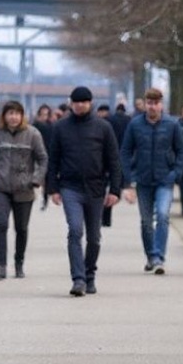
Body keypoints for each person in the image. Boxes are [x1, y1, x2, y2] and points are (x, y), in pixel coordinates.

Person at [45, 86, 122, 296]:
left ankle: (90, 274)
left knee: (94, 237)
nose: (80, 105)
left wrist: (115, 189)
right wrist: (52, 188)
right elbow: (53, 160)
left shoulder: (103, 127)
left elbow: (114, 160)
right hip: (70, 187)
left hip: (96, 188)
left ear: (90, 103)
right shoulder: (60, 127)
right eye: (76, 101)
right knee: (75, 230)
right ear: (71, 103)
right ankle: (78, 279)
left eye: (84, 101)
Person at [120, 88, 183, 274]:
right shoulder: (135, 125)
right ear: (145, 103)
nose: (153, 107)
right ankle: (151, 256)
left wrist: (176, 174)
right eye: (150, 103)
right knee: (146, 222)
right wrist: (128, 180)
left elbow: (181, 150)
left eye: (156, 103)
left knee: (163, 216)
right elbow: (125, 152)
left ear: (161, 104)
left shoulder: (171, 124)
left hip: (165, 179)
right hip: (142, 180)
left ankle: (158, 257)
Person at [0, 101, 47, 279]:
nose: (13, 117)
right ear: (4, 115)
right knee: (1, 224)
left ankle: (19, 263)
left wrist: (36, 179)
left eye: (17, 113)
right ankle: (1, 266)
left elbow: (43, 158)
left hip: (24, 188)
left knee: (21, 228)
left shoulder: (32, 134)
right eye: (10, 113)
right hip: (0, 186)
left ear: (22, 116)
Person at [32, 103, 54, 211]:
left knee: (45, 178)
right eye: (43, 113)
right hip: (35, 153)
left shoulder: (52, 125)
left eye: (46, 114)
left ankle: (44, 199)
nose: (44, 115)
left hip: (47, 152)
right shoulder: (34, 125)